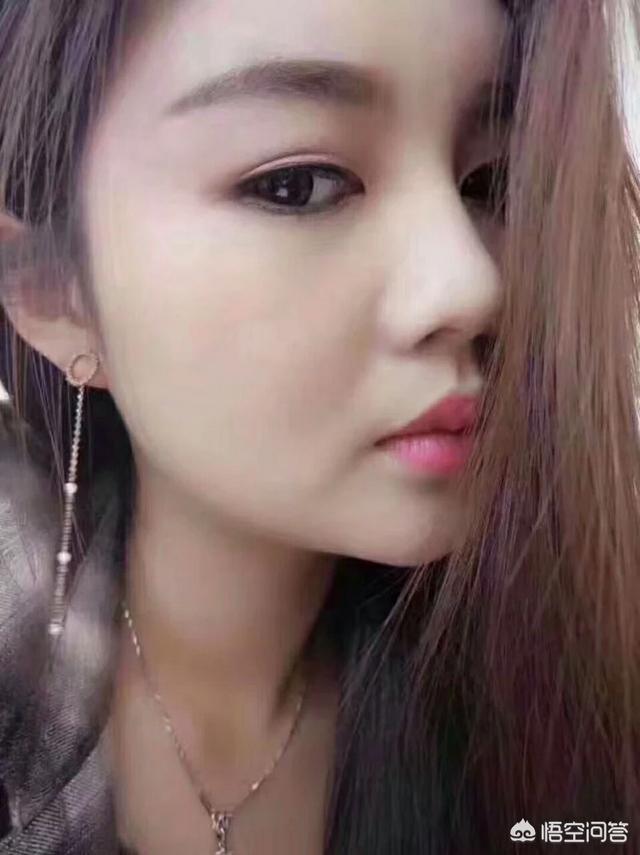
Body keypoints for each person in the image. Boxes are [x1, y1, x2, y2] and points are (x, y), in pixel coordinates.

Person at [0, 0, 639, 852]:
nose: (472, 282)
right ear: (52, 291)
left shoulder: (561, 734)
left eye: (490, 183)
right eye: (298, 185)